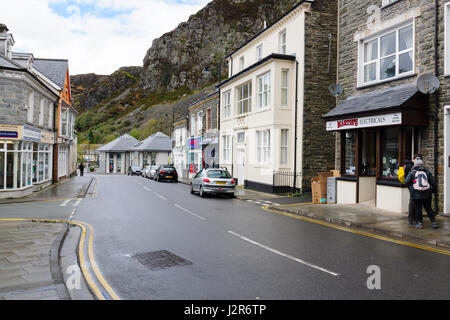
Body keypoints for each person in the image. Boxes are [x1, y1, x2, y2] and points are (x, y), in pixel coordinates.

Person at [404, 157, 438, 229]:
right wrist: (433, 191)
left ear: (415, 165)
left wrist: (411, 188)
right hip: (427, 194)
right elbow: (433, 183)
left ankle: (420, 223)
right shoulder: (427, 172)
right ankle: (433, 223)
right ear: (422, 164)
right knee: (429, 208)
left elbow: (406, 182)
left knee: (418, 209)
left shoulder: (412, 172)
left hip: (416, 194)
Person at [399, 159, 415, 225]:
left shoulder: (404, 166)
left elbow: (402, 178)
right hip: (412, 185)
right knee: (412, 202)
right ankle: (412, 219)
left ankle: (411, 219)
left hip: (409, 184)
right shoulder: (411, 166)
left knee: (412, 201)